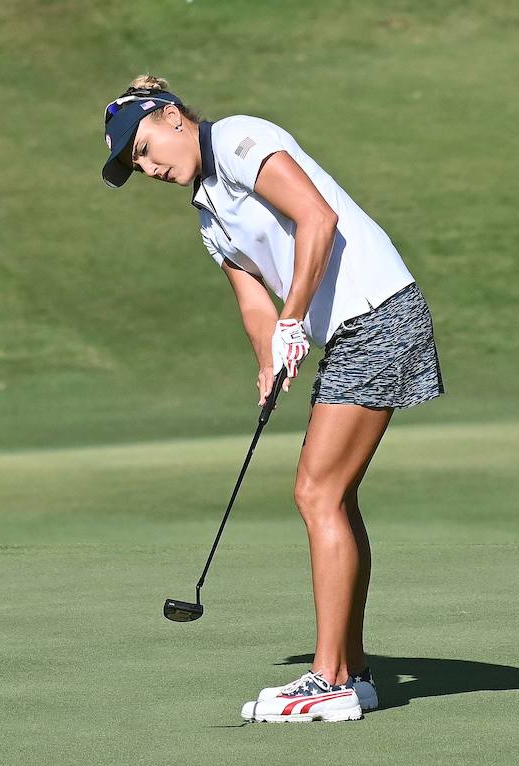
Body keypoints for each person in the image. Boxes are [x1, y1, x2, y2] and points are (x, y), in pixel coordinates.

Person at [101, 75, 445, 722]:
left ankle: (329, 679)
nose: (148, 166)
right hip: (352, 330)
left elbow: (318, 218)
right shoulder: (209, 216)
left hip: (377, 314)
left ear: (173, 117)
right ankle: (356, 670)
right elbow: (252, 302)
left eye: (145, 146)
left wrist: (294, 321)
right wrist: (270, 361)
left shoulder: (237, 140)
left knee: (316, 492)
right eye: (134, 163)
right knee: (332, 495)